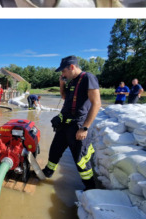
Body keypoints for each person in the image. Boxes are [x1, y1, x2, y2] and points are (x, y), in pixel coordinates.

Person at [41, 56, 102, 190]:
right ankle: (47, 172)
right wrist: (62, 83)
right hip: (65, 124)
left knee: (81, 159)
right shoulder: (72, 81)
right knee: (54, 150)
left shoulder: (88, 78)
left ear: (72, 67)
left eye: (64, 72)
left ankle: (90, 187)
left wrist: (85, 128)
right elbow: (64, 96)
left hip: (78, 125)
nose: (63, 74)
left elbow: (96, 103)